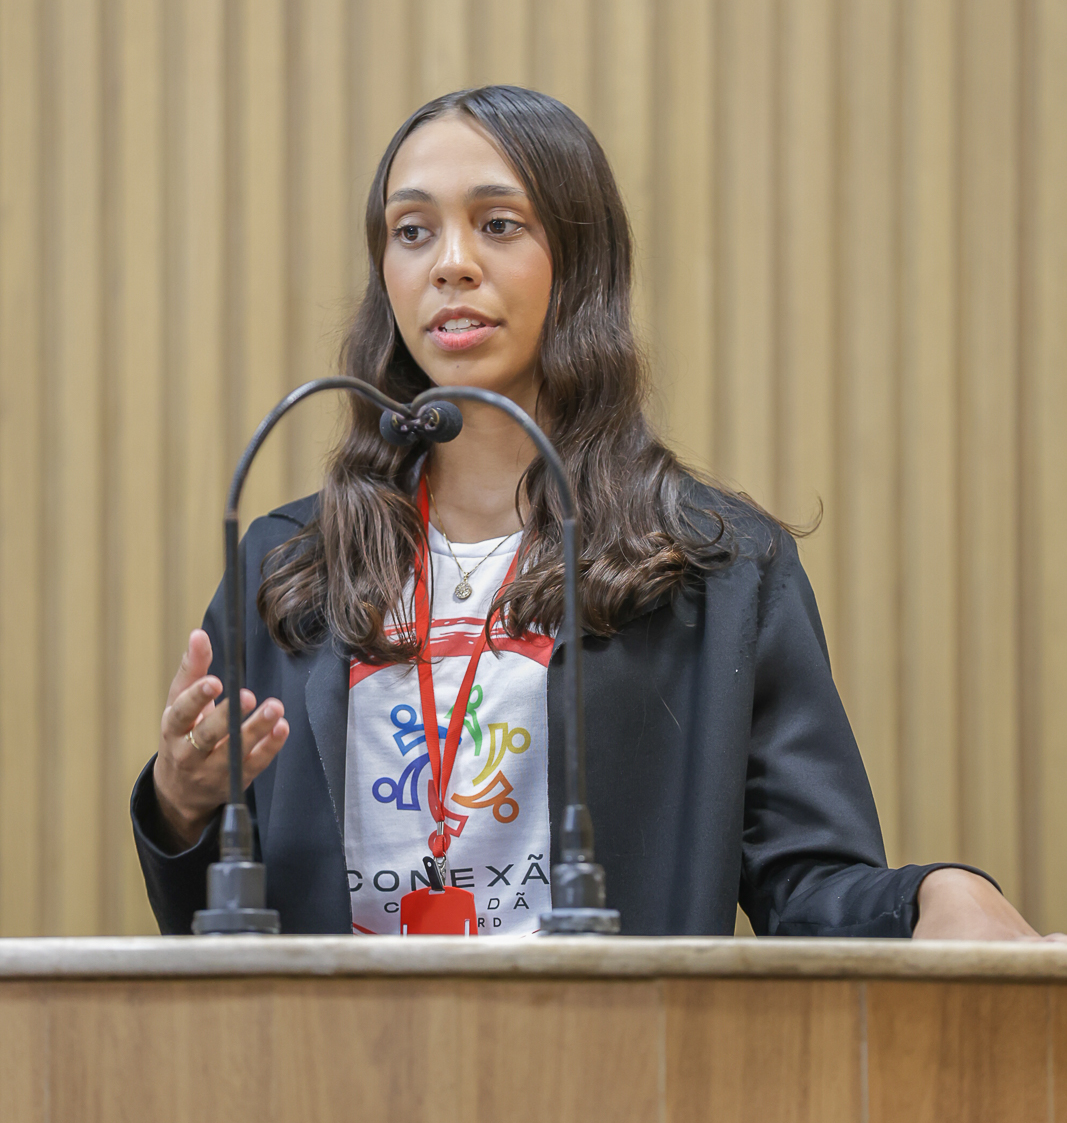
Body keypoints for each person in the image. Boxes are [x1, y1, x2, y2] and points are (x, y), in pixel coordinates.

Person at [132, 85, 1052, 942]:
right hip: (337, 1056)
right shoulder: (288, 565)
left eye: (498, 225)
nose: (450, 264)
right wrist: (182, 801)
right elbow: (219, 921)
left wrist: (931, 895)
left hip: (608, 1056)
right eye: (411, 231)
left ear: (579, 263)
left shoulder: (716, 569)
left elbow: (805, 882)